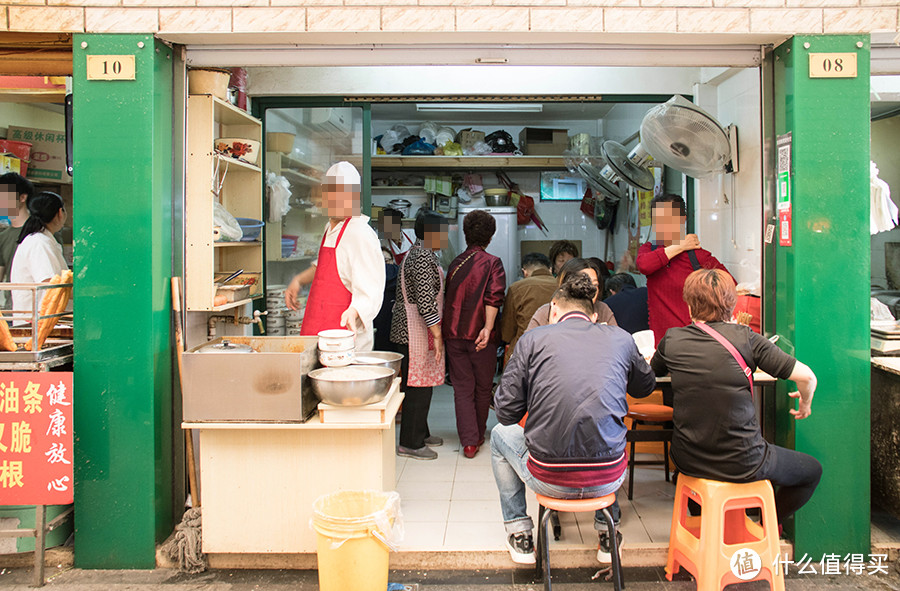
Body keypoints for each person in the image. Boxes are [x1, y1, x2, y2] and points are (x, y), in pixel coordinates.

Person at [491, 273, 656, 564]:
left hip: (548, 477)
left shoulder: (532, 340)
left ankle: (520, 534)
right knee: (607, 432)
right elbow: (645, 387)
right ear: (594, 317)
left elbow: (506, 413)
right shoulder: (620, 338)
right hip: (609, 478)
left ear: (553, 310)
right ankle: (608, 531)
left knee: (499, 435)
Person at [650, 268, 821, 525]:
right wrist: (805, 403)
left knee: (701, 479)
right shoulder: (747, 339)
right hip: (743, 461)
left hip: (687, 459)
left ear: (689, 305)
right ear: (732, 303)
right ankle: (762, 525)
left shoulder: (672, 339)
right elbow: (807, 377)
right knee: (812, 470)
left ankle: (709, 523)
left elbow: (654, 374)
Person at [285, 161, 385, 351]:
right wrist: (298, 280)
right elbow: (323, 267)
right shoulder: (329, 228)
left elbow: (371, 289)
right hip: (317, 331)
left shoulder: (360, 233)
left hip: (345, 338)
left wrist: (355, 311)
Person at [443, 209, 506, 459]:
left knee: (462, 388)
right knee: (482, 388)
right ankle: (477, 435)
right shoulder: (492, 262)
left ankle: (468, 442)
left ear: (467, 235)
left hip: (454, 335)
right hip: (482, 337)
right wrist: (488, 328)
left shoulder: (455, 263)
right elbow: (494, 297)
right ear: (489, 237)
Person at [390, 210, 449, 460]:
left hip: (412, 329)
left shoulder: (420, 253)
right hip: (413, 331)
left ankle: (421, 433)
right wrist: (436, 333)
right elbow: (425, 301)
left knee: (421, 384)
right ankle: (410, 443)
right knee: (417, 387)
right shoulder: (423, 257)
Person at [636, 193, 731, 346]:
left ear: (682, 219)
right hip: (662, 343)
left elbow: (730, 285)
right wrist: (681, 246)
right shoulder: (649, 250)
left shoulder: (697, 256)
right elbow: (644, 266)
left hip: (694, 341)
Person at [10, 191, 68, 319]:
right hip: (36, 321)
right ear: (60, 213)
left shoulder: (42, 240)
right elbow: (50, 283)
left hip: (42, 319)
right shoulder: (39, 242)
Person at [527, 258, 617, 330]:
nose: (590, 289)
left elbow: (616, 341)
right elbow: (528, 346)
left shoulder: (603, 309)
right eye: (584, 284)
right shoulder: (545, 312)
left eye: (595, 285)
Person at [499, 252, 557, 365]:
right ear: (550, 269)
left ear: (524, 272)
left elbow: (507, 332)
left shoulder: (517, 288)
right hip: (556, 350)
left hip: (524, 351)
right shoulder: (563, 285)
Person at [0, 173, 34, 284]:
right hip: (11, 301)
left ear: (22, 197)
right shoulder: (3, 236)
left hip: (36, 300)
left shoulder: (42, 232)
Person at [373, 246, 399, 353]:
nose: (385, 265)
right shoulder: (398, 273)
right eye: (381, 261)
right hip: (382, 327)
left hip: (389, 327)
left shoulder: (371, 276)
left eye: (387, 260)